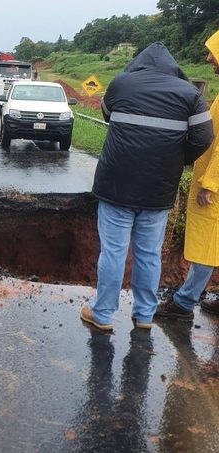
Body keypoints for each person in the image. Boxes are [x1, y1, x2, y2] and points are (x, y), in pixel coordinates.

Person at [80, 42, 214, 332]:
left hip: (116, 184)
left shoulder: (120, 84)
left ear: (138, 63)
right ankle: (144, 315)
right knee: (149, 253)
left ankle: (102, 314)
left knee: (114, 252)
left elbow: (107, 114)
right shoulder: (190, 94)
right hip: (159, 189)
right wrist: (178, 159)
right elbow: (204, 137)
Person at [155, 30, 219, 321]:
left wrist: (211, 184)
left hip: (214, 187)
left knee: (208, 244)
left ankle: (184, 302)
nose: (208, 58)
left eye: (213, 53)